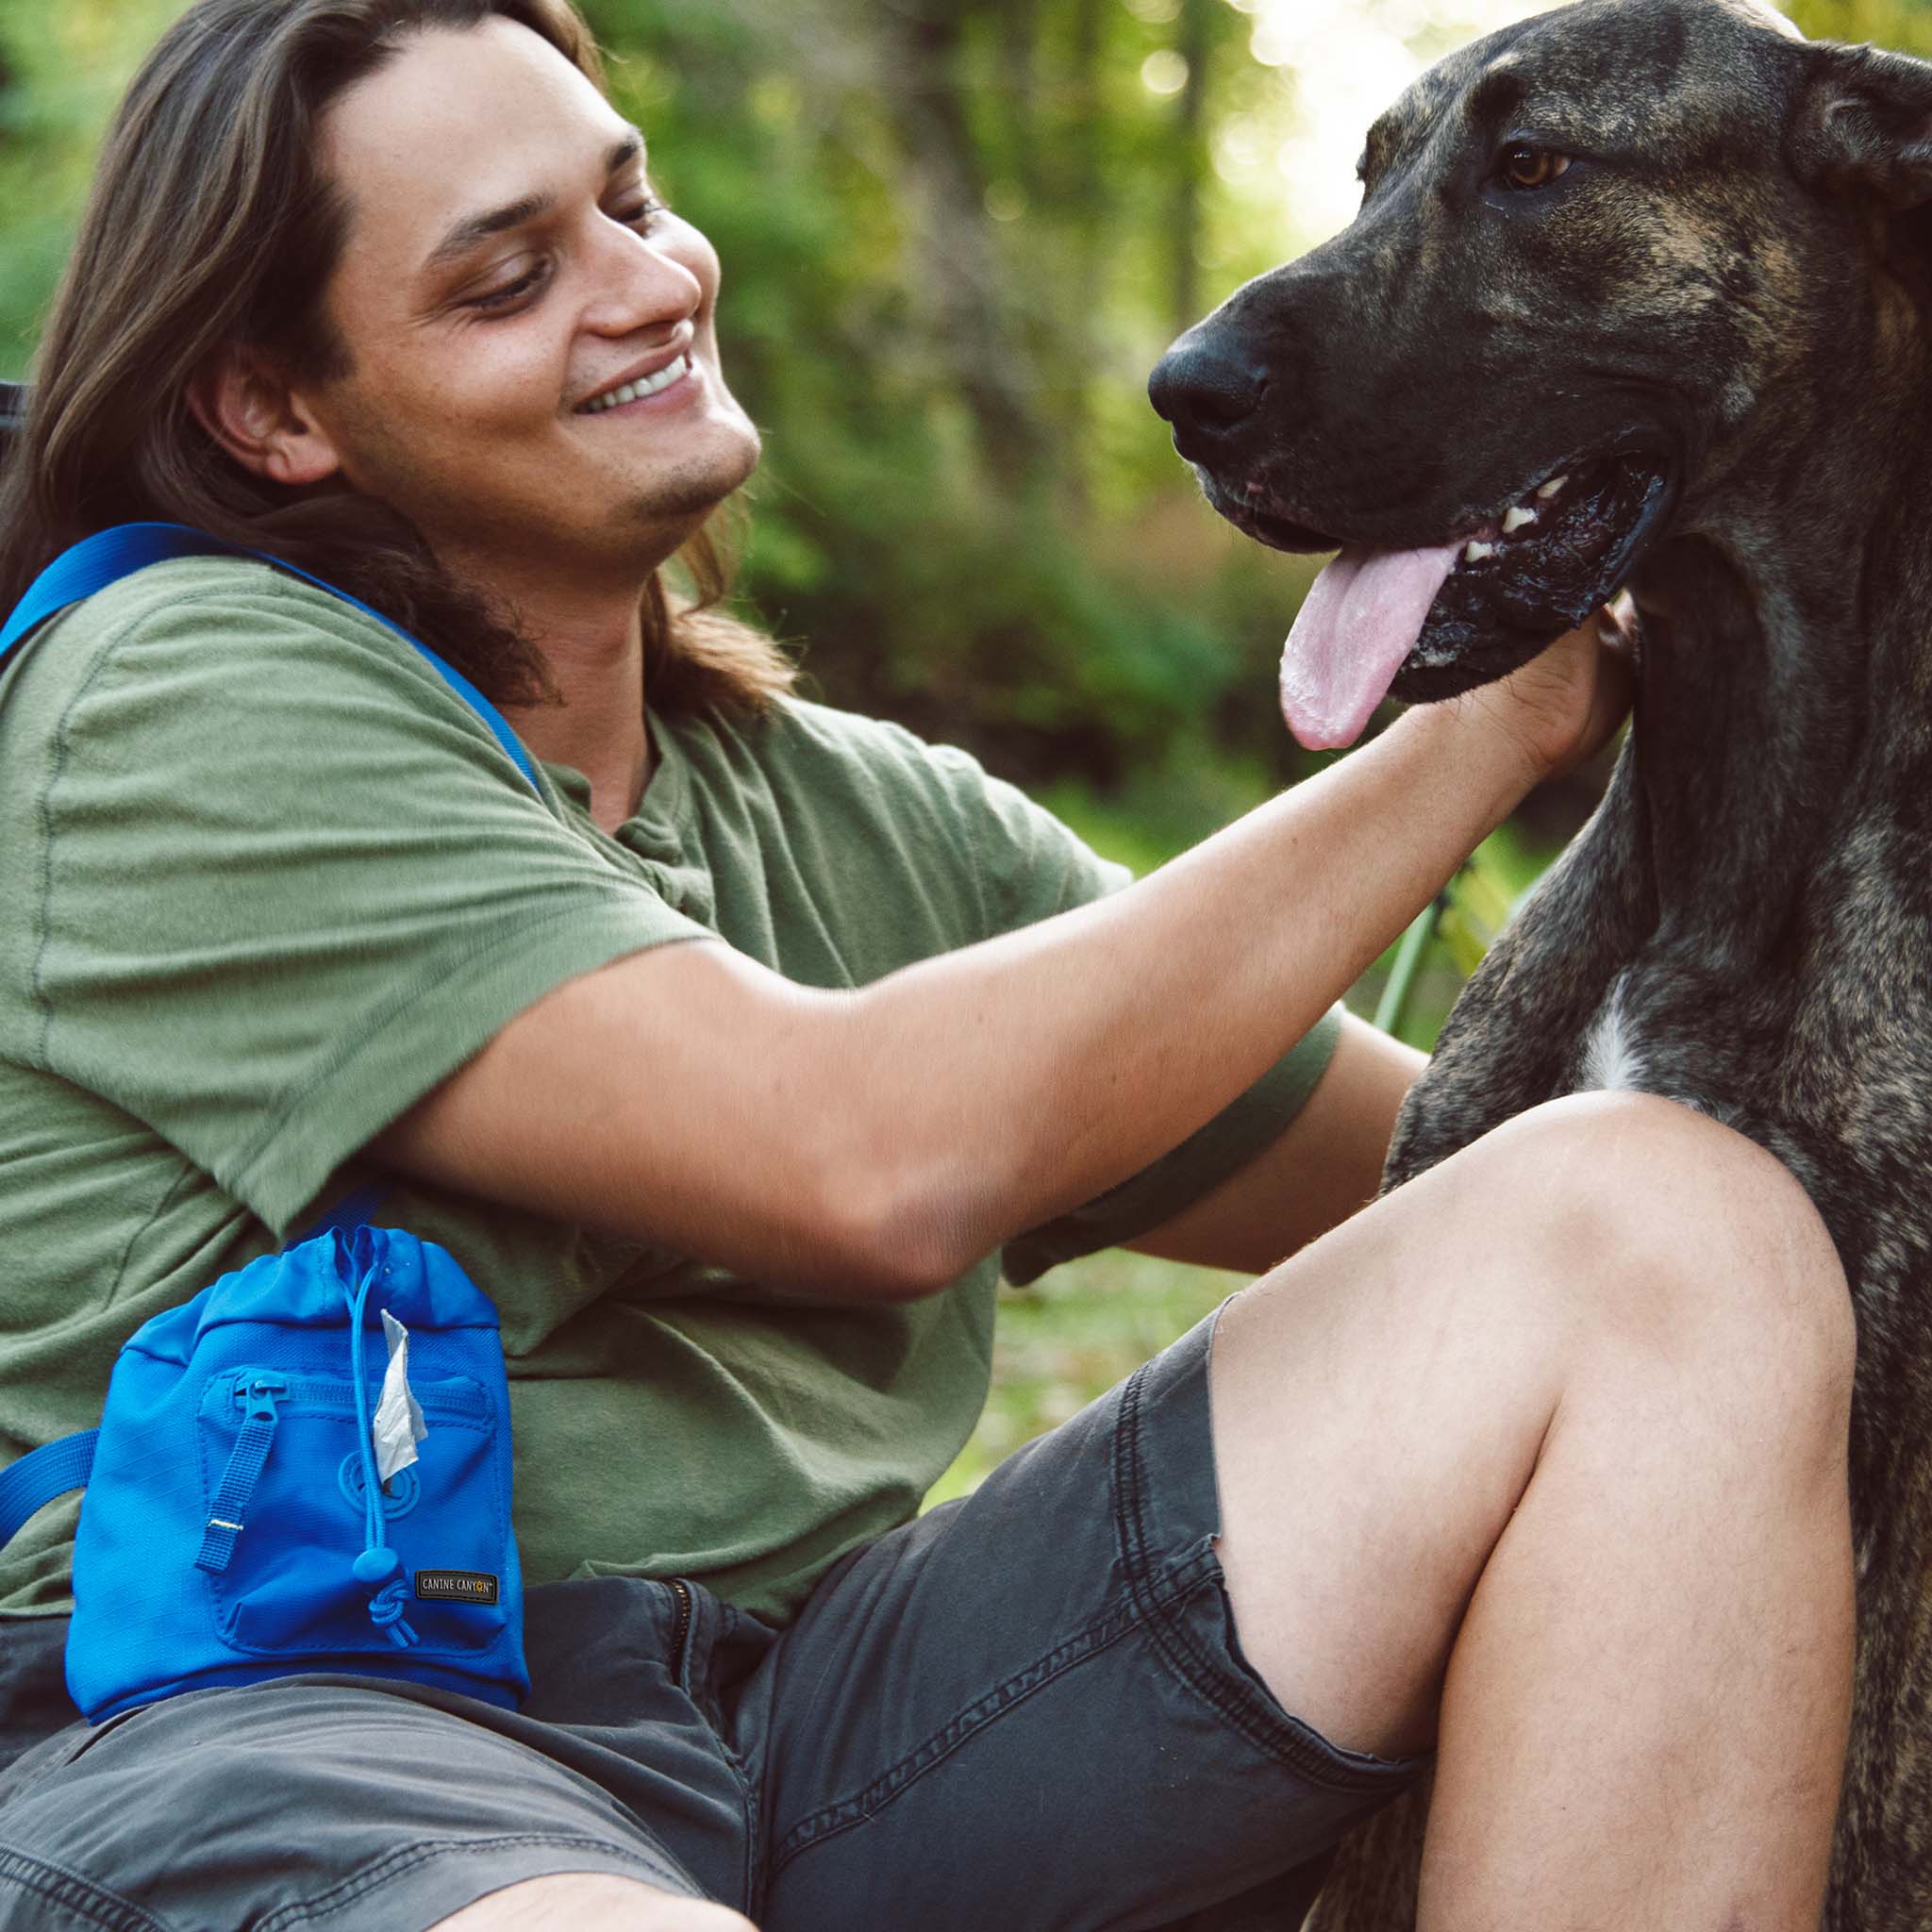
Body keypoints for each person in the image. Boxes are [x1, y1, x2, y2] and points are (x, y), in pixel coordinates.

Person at [0, 2, 1856, 1927]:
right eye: (509, 275)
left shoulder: (863, 821)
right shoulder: (176, 692)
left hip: (806, 1719)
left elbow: (1454, 1184)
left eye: (629, 200)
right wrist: (1483, 714)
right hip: (276, 1723)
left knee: (1655, 1224)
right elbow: (862, 1162)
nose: (646, 285)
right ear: (274, 411)